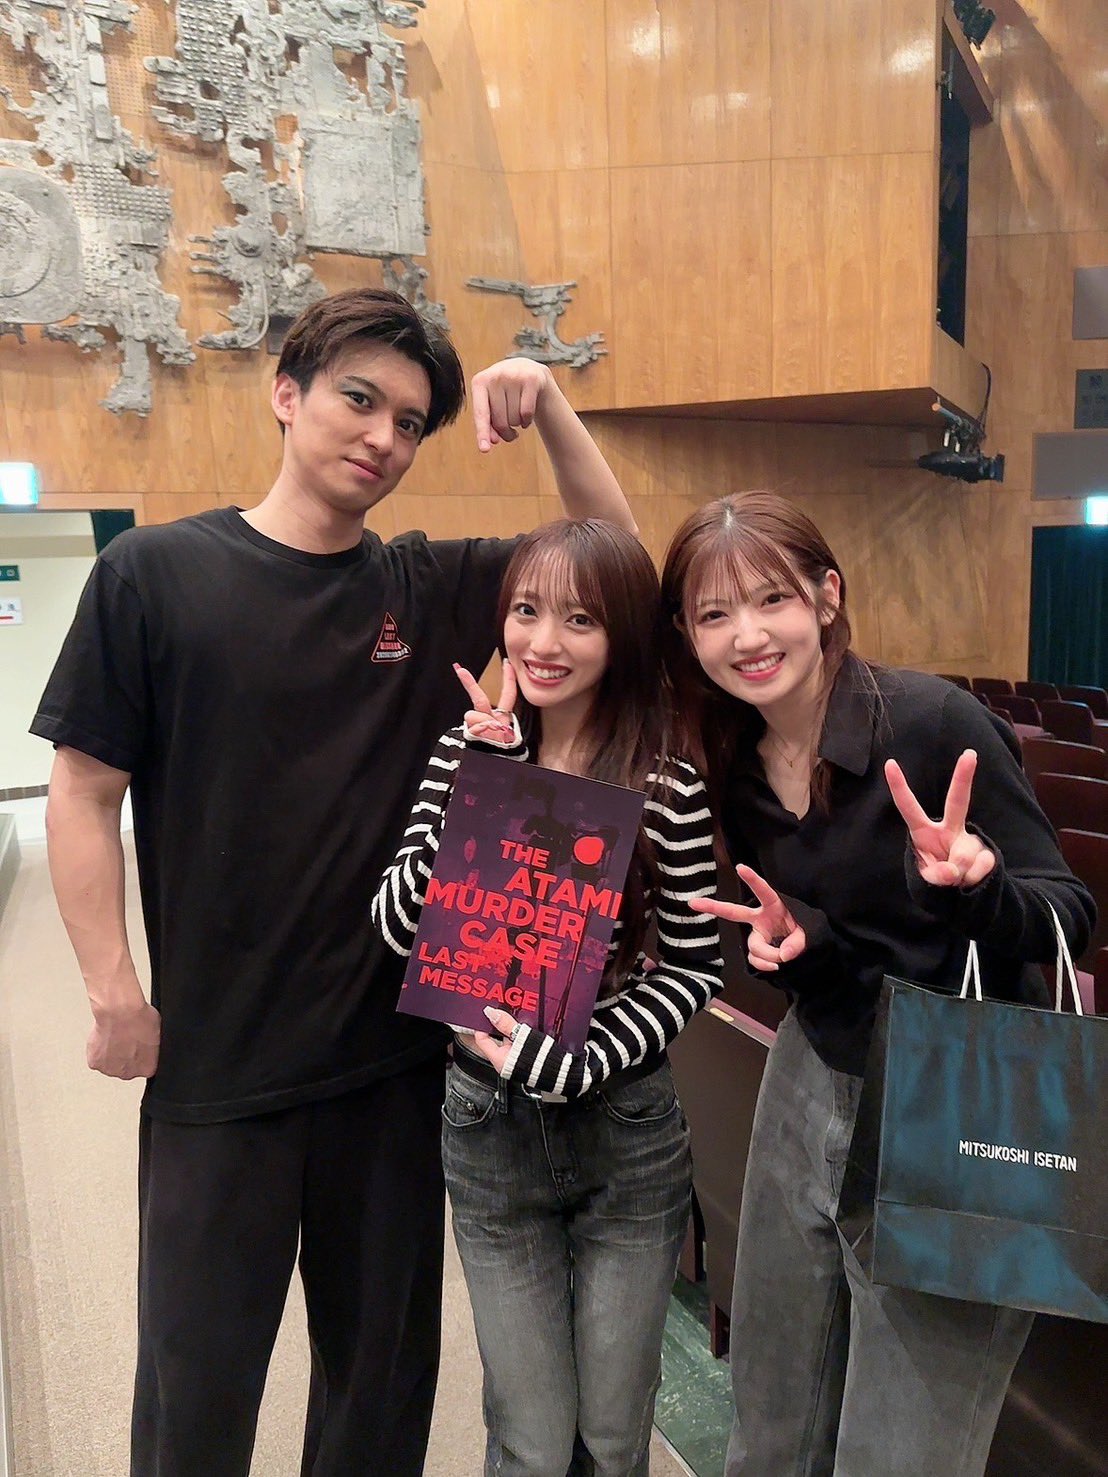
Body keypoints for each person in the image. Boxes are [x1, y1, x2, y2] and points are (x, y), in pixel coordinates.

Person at [31, 287, 637, 1477]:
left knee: (379, 1396)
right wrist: (112, 988)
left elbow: (612, 572)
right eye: (361, 400)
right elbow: (84, 790)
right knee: (196, 1395)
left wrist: (556, 408)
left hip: (394, 1071)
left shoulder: (423, 587)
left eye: (410, 423)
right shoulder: (154, 574)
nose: (383, 437)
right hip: (219, 1070)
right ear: (286, 393)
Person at [659, 492, 1095, 1477]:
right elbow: (840, 951)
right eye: (714, 613)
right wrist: (801, 946)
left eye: (770, 598)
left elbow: (1068, 914)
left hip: (960, 1101)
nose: (746, 635)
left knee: (897, 1455)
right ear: (686, 634)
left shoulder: (932, 722)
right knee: (772, 1423)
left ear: (826, 595)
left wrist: (980, 886)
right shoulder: (727, 751)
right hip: (814, 1068)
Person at [372, 518, 723, 1477]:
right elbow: (396, 925)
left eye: (580, 619)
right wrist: (473, 790)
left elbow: (696, 966)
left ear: (621, 635)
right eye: (526, 611)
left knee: (611, 1434)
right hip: (487, 1128)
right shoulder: (466, 751)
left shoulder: (667, 781)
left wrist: (582, 1056)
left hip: (626, 1131)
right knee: (529, 1436)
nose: (543, 642)